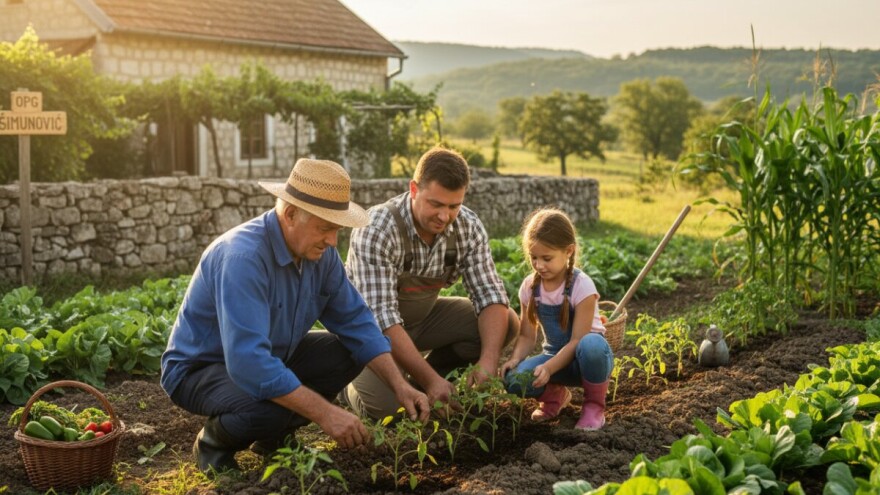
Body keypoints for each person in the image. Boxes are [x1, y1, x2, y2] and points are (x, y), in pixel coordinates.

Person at [160, 158, 430, 473]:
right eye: (325, 228)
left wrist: (400, 385)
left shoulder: (321, 256)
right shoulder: (242, 258)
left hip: (272, 356)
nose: (332, 242)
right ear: (290, 214)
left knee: (348, 353)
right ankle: (212, 444)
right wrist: (326, 413)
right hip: (200, 368)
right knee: (268, 410)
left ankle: (272, 439)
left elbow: (358, 324)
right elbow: (248, 363)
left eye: (337, 231)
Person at [342, 146, 518, 420]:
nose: (444, 216)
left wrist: (488, 362)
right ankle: (348, 385)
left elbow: (489, 294)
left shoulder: (467, 227)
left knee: (507, 320)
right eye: (435, 204)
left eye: (453, 206)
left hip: (421, 323)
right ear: (414, 189)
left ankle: (421, 381)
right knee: (394, 413)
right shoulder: (376, 228)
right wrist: (430, 381)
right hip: (371, 335)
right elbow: (382, 318)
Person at [499, 207, 613, 430]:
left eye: (547, 258)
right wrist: (515, 358)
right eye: (534, 258)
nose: (539, 265)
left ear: (568, 251)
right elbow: (526, 335)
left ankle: (594, 406)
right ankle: (554, 396)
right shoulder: (530, 288)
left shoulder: (582, 286)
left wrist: (548, 368)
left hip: (586, 362)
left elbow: (577, 341)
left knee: (591, 344)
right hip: (555, 360)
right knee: (515, 379)